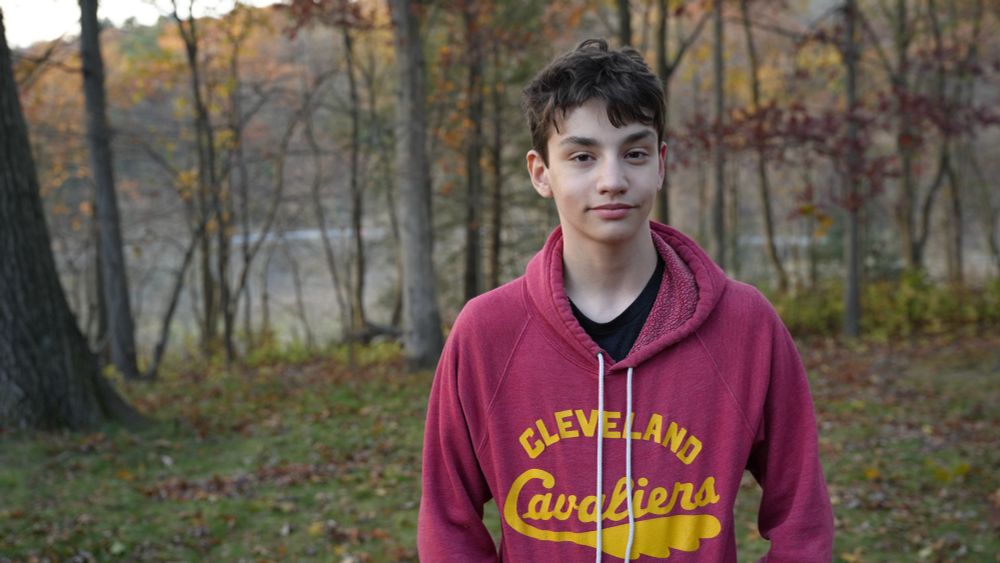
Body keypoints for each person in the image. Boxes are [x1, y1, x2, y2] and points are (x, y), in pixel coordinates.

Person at [418, 38, 834, 562]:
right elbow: (447, 527)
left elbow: (803, 521)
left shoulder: (745, 325)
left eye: (634, 153)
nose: (612, 180)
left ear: (660, 164)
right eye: (583, 156)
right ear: (541, 173)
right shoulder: (486, 334)